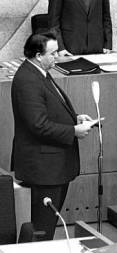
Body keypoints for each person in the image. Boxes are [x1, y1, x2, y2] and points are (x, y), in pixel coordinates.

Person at [11, 32, 94, 240]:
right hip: (43, 168)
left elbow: (50, 110)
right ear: (38, 55)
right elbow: (38, 124)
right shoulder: (28, 80)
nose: (57, 56)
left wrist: (74, 118)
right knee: (42, 228)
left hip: (52, 165)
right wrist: (73, 131)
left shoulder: (40, 73)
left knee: (47, 225)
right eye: (53, 52)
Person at [48, 0, 112, 56]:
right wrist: (60, 48)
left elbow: (106, 18)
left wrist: (107, 45)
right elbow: (53, 24)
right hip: (70, 49)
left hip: (97, 49)